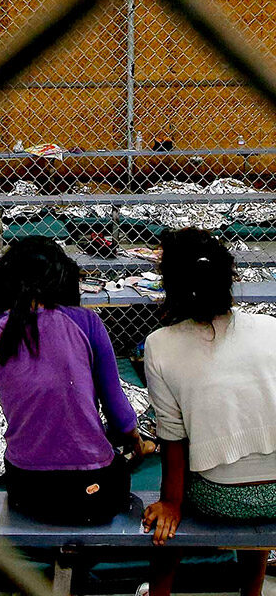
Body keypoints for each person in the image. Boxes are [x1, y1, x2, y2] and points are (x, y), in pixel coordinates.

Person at [0, 235, 149, 524]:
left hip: (25, 488)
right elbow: (118, 411)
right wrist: (136, 439)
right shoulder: (86, 322)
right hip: (93, 491)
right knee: (118, 458)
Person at [142, 227, 276, 596]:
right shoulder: (271, 328)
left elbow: (172, 439)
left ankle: (159, 592)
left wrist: (170, 502)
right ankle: (251, 591)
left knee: (175, 496)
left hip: (221, 497)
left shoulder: (159, 345)